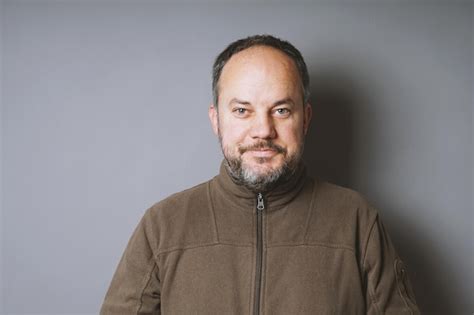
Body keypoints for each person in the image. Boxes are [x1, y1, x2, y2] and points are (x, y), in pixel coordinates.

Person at [100, 34, 420, 314]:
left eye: (281, 110)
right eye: (242, 110)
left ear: (304, 119)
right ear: (216, 120)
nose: (263, 130)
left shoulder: (358, 221)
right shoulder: (162, 226)